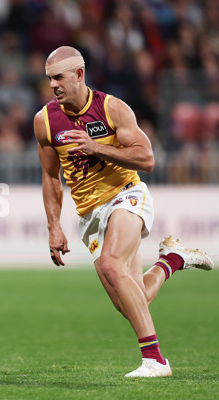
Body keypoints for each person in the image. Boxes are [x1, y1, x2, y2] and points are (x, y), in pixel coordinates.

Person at [33, 46, 214, 377]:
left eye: (59, 77)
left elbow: (147, 159)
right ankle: (172, 259)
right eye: (49, 79)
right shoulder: (44, 121)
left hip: (126, 195)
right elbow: (49, 176)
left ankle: (155, 360)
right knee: (130, 300)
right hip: (89, 214)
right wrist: (53, 227)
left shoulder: (111, 108)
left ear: (79, 75)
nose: (53, 85)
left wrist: (96, 146)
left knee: (111, 263)